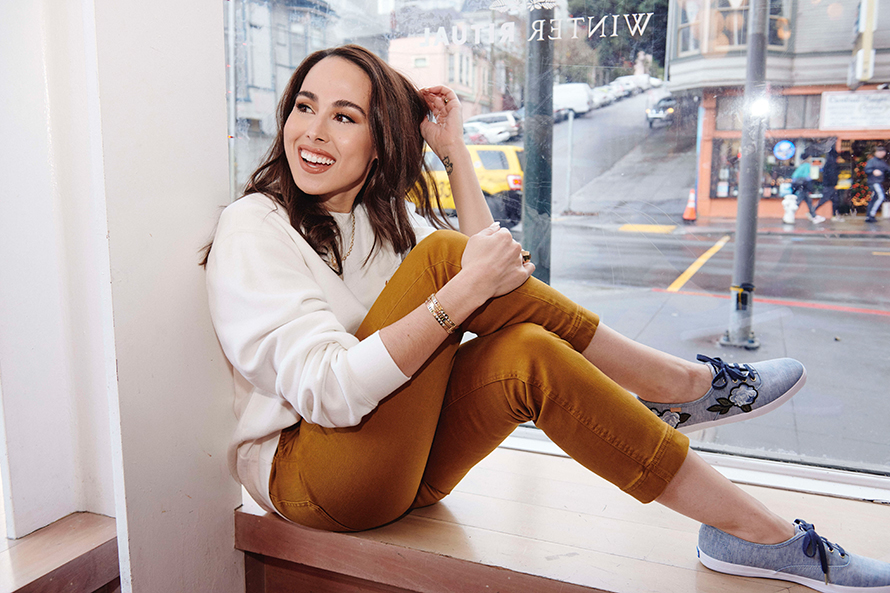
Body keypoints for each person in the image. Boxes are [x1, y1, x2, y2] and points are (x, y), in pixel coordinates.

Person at [203, 45, 890, 593]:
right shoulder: (255, 226)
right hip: (316, 480)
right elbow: (329, 389)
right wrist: (452, 299)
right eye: (304, 106)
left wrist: (456, 153)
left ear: (380, 141)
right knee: (455, 265)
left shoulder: (381, 223)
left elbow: (500, 273)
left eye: (344, 116)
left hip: (404, 469)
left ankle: (755, 532)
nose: (313, 131)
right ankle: (680, 386)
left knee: (525, 346)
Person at [792, 157, 825, 224]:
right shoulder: (806, 166)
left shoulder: (803, 166)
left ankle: (813, 216)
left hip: (802, 187)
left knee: (807, 202)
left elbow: (795, 176)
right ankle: (790, 214)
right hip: (804, 187)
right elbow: (807, 177)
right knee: (800, 202)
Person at [864, 145, 890, 223]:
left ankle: (870, 215)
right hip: (874, 182)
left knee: (875, 198)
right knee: (880, 197)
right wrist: (873, 171)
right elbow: (866, 169)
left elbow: (888, 170)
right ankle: (870, 215)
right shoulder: (872, 161)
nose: (882, 153)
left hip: (877, 182)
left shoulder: (881, 162)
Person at [815, 148, 842, 221]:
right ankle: (812, 212)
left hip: (829, 184)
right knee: (827, 199)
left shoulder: (828, 163)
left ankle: (834, 215)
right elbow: (832, 175)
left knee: (834, 200)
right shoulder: (832, 164)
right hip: (830, 185)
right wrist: (834, 183)